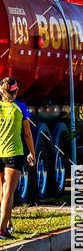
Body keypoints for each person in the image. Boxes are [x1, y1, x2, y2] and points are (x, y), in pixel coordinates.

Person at [0, 77, 35, 239]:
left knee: (2, 191)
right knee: (9, 192)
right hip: (14, 154)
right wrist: (32, 152)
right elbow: (27, 134)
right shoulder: (20, 108)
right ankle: (2, 229)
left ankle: (7, 223)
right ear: (16, 92)